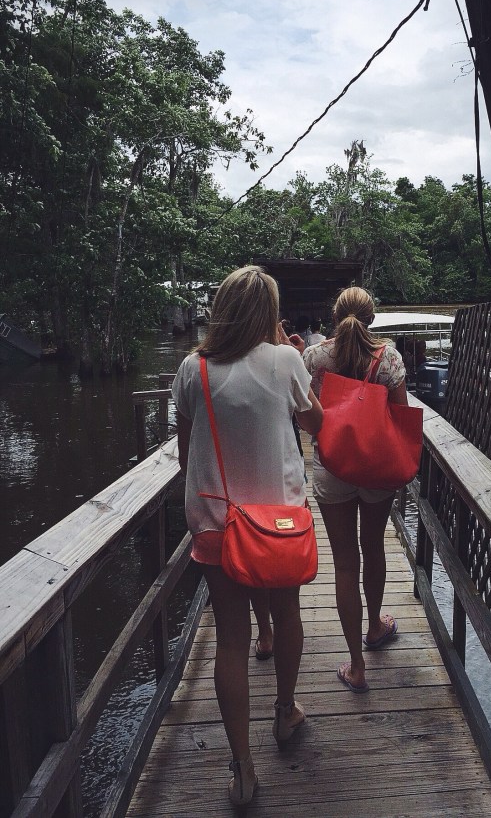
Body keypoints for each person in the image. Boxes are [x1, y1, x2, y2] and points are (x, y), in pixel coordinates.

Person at [172, 265, 322, 807]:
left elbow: (185, 451)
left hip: (218, 524)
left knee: (231, 641)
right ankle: (284, 713)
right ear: (269, 315)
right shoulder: (285, 361)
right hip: (279, 523)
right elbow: (317, 424)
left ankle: (242, 769)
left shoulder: (193, 368)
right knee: (287, 616)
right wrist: (286, 348)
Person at [302, 286, 407, 693]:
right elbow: (400, 416)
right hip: (376, 467)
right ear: (372, 318)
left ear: (334, 316)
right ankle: (375, 627)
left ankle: (357, 666)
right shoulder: (389, 357)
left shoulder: (314, 357)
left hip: (332, 466)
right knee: (374, 546)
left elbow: (303, 415)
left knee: (345, 563)